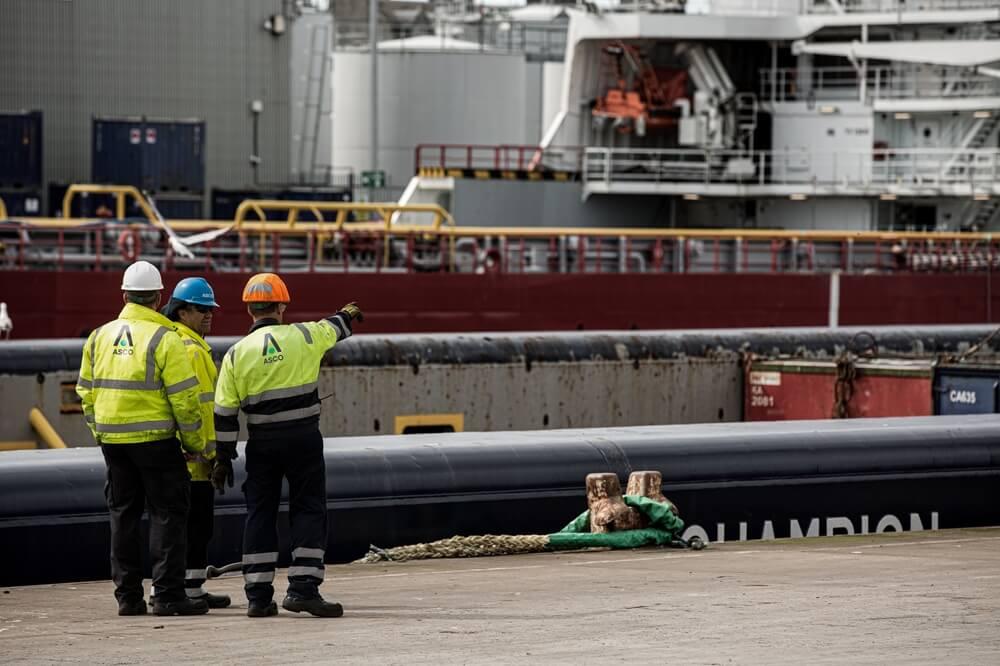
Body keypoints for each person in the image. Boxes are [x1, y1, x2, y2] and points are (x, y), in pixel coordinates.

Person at [213, 273, 362, 618]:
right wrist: (345, 314)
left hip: (262, 444)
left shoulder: (236, 354)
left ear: (249, 310)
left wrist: (223, 457)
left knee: (260, 513)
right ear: (281, 306)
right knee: (308, 507)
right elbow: (334, 328)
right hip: (303, 440)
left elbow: (224, 413)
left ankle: (258, 597)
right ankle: (303, 590)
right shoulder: (304, 335)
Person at [76, 261, 208, 617]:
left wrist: (100, 431)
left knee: (123, 516)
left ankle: (128, 598)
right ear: (159, 298)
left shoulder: (99, 336)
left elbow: (85, 392)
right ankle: (167, 596)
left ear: (124, 296)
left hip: (113, 443)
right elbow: (185, 398)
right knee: (168, 515)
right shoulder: (166, 338)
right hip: (156, 442)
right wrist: (193, 444)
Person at [161, 277, 231, 609]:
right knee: (196, 526)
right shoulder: (191, 349)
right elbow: (201, 407)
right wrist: (215, 454)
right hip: (194, 458)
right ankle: (188, 589)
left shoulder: (172, 340)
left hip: (173, 453)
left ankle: (187, 587)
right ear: (182, 311)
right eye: (201, 310)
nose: (208, 315)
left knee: (179, 527)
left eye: (210, 310)